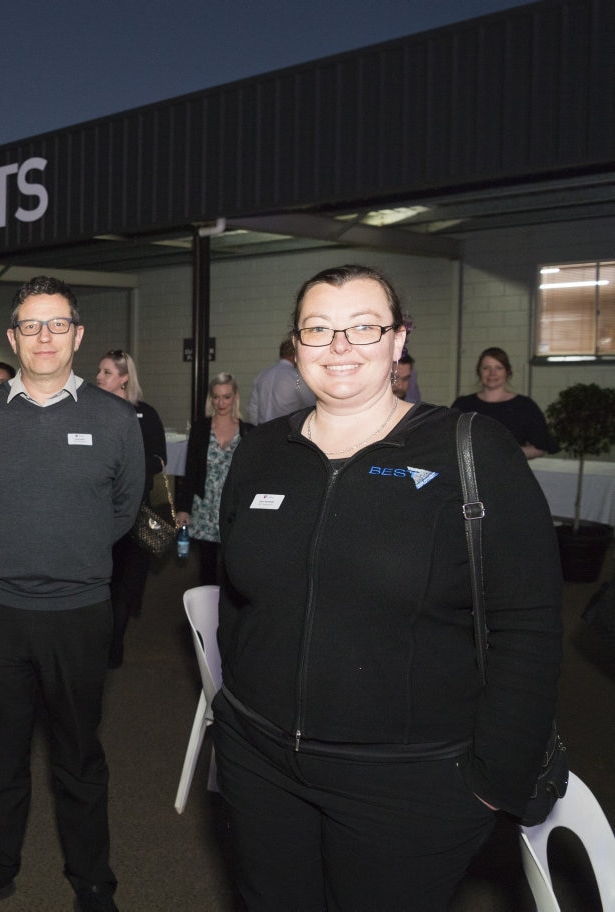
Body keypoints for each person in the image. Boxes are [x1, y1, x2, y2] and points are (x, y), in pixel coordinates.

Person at [213, 264, 563, 912]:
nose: (339, 346)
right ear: (295, 346)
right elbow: (237, 599)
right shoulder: (261, 452)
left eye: (362, 327)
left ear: (398, 340)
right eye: (319, 329)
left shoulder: (470, 450)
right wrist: (234, 717)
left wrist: (492, 783)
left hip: (406, 784)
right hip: (260, 766)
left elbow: (530, 622)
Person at [0, 276, 143, 912]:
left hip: (80, 615)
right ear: (13, 336)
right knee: (1, 756)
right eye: (30, 325)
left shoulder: (116, 419)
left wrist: (71, 558)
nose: (43, 337)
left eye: (57, 324)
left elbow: (124, 509)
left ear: (77, 335)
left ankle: (92, 880)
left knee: (79, 759)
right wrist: (14, 555)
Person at [95, 349, 166, 668]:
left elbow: (158, 459)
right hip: (97, 510)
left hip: (134, 509)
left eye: (107, 372)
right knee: (100, 580)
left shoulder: (145, 415)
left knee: (125, 582)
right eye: (100, 371)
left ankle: (113, 644)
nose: (99, 377)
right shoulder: (92, 412)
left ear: (124, 378)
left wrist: (127, 468)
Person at [174, 373, 251, 585]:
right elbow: (190, 471)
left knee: (232, 569)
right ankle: (206, 615)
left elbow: (251, 476)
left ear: (235, 397)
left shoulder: (247, 431)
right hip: (204, 508)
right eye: (216, 397)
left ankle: (228, 615)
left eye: (226, 397)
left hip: (233, 510)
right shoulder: (200, 429)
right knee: (206, 569)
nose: (221, 403)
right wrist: (184, 508)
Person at [451, 347, 558, 460]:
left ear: (507, 372)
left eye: (499, 368)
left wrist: (501, 454)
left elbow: (540, 448)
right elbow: (447, 441)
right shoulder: (462, 405)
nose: (492, 373)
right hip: (468, 476)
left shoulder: (525, 406)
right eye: (486, 368)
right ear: (479, 372)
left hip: (509, 475)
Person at [248, 337, 314, 424]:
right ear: (296, 354)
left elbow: (253, 407)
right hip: (285, 430)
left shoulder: (263, 374)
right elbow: (311, 404)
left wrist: (256, 429)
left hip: (262, 428)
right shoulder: (296, 377)